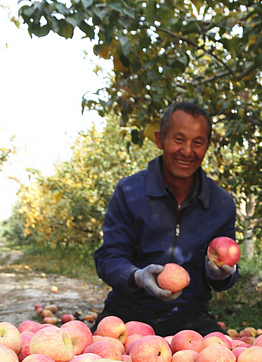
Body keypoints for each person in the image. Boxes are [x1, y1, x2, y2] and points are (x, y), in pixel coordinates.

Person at [92, 102, 238, 337]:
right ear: (160, 140)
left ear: (207, 146)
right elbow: (109, 257)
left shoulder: (220, 204)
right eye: (178, 140)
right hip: (129, 309)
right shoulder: (130, 192)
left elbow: (228, 268)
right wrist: (137, 277)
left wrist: (221, 274)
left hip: (189, 315)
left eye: (197, 142)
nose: (188, 151)